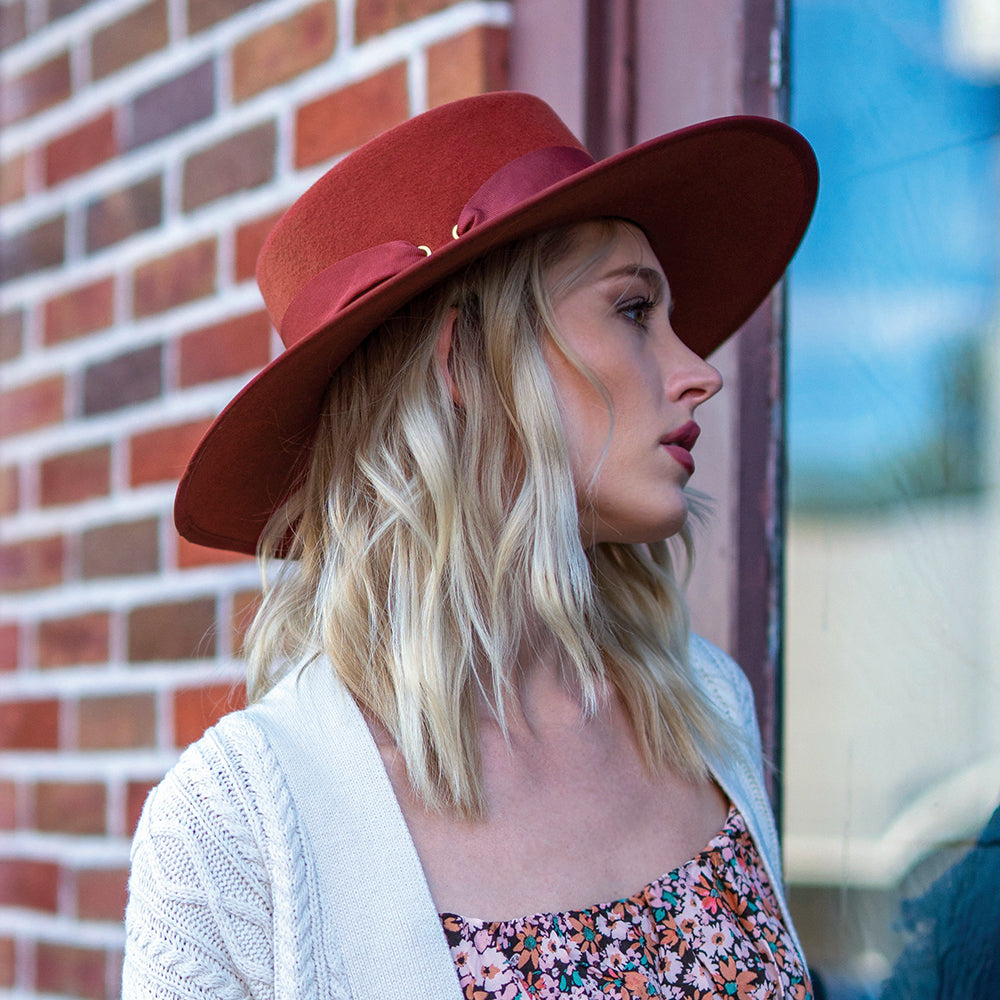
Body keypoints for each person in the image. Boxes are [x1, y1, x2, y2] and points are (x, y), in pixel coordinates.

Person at [122, 91, 818, 999]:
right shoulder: (234, 831)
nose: (702, 372)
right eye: (637, 310)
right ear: (465, 366)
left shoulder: (704, 705)